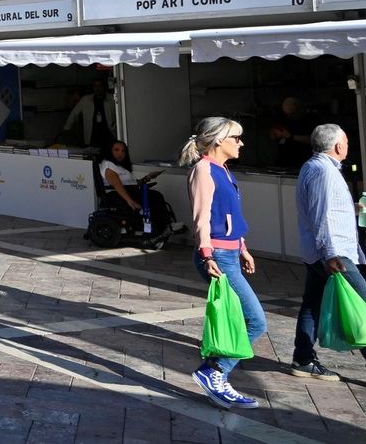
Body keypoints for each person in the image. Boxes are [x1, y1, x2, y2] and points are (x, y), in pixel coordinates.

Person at [182, 117, 265, 409]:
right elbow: (202, 217)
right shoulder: (204, 170)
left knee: (246, 319)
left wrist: (242, 247)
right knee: (255, 320)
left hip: (228, 252)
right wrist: (207, 254)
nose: (241, 143)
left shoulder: (224, 170)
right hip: (217, 255)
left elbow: (228, 213)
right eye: (236, 137)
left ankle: (214, 372)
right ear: (219, 140)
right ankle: (213, 372)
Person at [290, 123, 366, 380]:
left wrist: (354, 208)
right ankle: (302, 357)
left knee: (312, 305)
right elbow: (321, 216)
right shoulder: (324, 171)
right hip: (334, 253)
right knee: (362, 303)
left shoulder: (315, 167)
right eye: (346, 140)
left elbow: (326, 209)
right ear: (338, 145)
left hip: (321, 251)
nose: (347, 145)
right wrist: (330, 253)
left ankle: (302, 357)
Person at [99, 140, 170, 223]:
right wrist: (130, 201)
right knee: (155, 196)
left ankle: (164, 225)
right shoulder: (108, 165)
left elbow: (131, 184)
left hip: (130, 191)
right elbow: (116, 184)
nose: (120, 153)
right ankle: (162, 225)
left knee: (156, 196)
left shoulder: (120, 166)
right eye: (116, 150)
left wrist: (147, 178)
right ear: (110, 151)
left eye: (123, 151)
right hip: (117, 195)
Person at [63, 78, 116, 149]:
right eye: (95, 86)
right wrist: (67, 127)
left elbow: (120, 113)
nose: (98, 88)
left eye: (100, 86)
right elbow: (74, 114)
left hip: (109, 135)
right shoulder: (86, 100)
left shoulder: (112, 98)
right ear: (93, 87)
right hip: (92, 135)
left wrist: (115, 127)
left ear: (104, 87)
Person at [271, 96, 317, 171]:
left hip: (300, 160)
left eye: (292, 114)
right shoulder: (283, 119)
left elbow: (312, 140)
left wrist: (291, 136)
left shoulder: (308, 120)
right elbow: (273, 136)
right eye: (287, 114)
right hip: (283, 160)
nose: (289, 116)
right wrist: (275, 134)